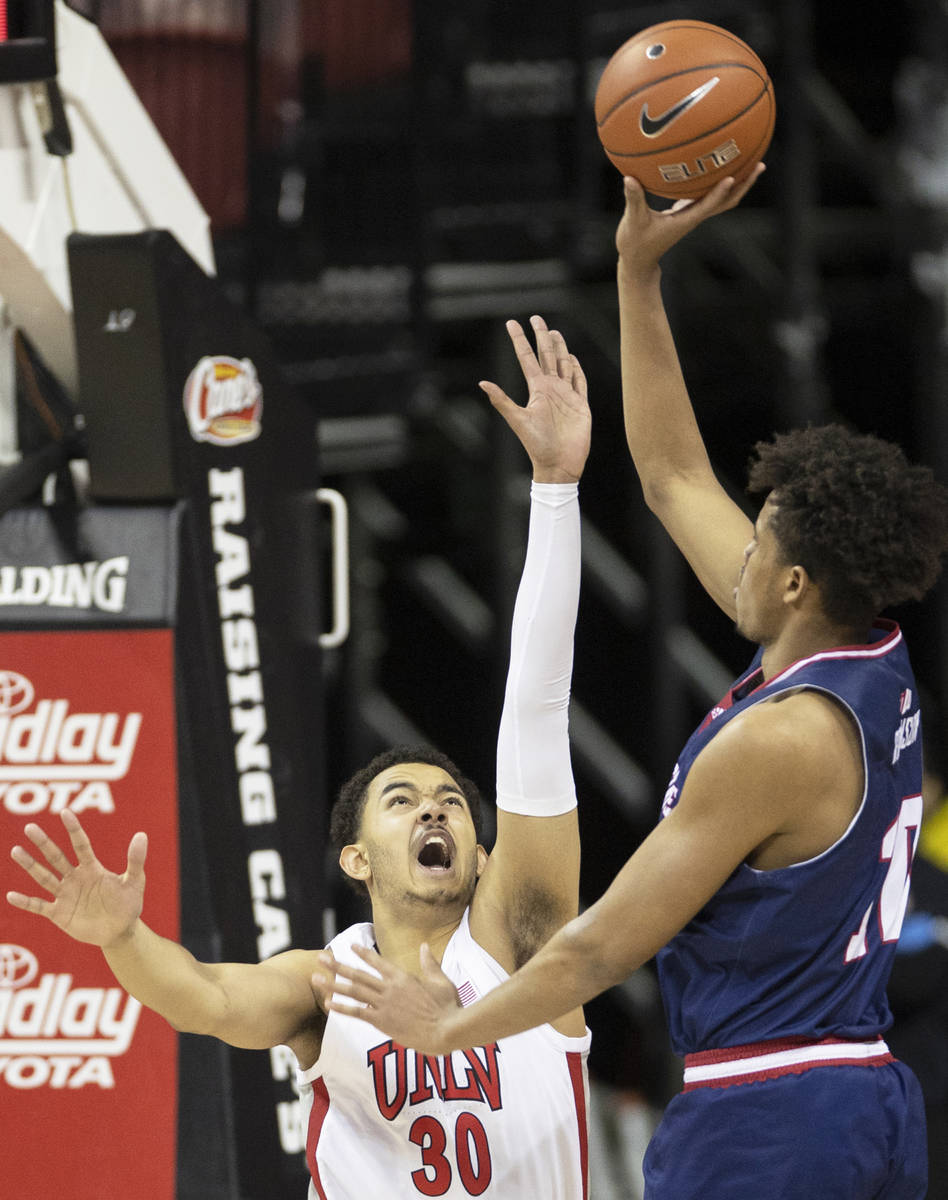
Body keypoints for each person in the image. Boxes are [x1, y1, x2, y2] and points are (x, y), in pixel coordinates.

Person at [313, 167, 948, 1200]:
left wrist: (451, 1029)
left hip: (768, 1115)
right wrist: (636, 272)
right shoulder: (868, 650)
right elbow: (671, 476)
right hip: (864, 1093)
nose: (740, 544)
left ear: (792, 582)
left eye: (764, 535)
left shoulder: (776, 746)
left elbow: (601, 944)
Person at [6, 317, 593, 1199]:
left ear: (481, 849)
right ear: (355, 857)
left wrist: (555, 489)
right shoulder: (326, 984)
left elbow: (537, 712)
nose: (435, 808)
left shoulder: (523, 948)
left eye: (448, 800)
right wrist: (124, 937)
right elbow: (203, 996)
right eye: (401, 800)